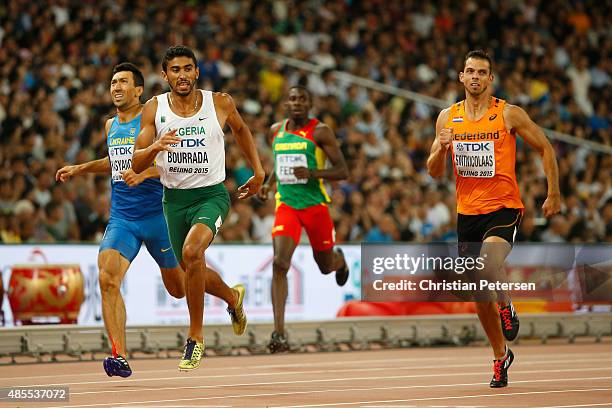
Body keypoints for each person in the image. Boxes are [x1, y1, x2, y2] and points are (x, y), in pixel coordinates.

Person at [56, 62, 243, 377]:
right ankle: (120, 356)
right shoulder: (109, 126)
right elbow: (117, 161)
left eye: (123, 82)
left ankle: (231, 296)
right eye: (113, 82)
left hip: (160, 215)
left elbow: (177, 162)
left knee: (180, 287)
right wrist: (81, 168)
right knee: (107, 277)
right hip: (123, 218)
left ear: (139, 90)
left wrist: (145, 173)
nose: (116, 88)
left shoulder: (156, 115)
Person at [427, 50, 561, 388]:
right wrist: (441, 149)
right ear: (461, 76)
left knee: (487, 266)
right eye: (469, 71)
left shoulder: (509, 114)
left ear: (490, 78)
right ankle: (501, 355)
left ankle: (506, 304)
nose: (474, 77)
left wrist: (554, 193)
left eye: (481, 72)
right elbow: (433, 171)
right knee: (477, 291)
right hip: (467, 214)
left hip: (503, 208)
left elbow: (545, 147)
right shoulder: (447, 118)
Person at [132, 45, 264, 371]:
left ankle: (195, 337)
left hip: (212, 196)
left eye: (187, 68)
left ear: (196, 71)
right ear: (164, 75)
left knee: (193, 253)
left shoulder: (220, 102)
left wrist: (259, 172)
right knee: (187, 275)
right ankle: (232, 298)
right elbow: (136, 161)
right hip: (174, 201)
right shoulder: (154, 109)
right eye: (175, 70)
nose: (182, 75)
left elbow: (242, 131)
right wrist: (156, 147)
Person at [257, 86, 350, 353]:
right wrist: (267, 184)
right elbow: (279, 164)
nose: (296, 103)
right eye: (292, 98)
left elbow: (342, 170)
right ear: (286, 103)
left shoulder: (320, 131)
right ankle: (279, 334)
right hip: (287, 205)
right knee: (279, 263)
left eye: (302, 99)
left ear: (310, 104)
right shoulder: (276, 130)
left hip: (315, 206)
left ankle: (339, 260)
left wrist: (312, 172)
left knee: (324, 265)